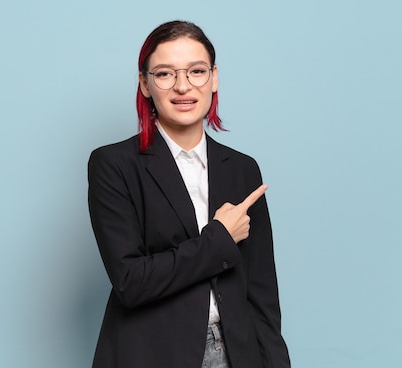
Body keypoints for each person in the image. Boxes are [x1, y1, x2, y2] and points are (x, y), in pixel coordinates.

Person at [88, 20, 291, 368]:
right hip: (152, 353)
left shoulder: (242, 169)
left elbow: (262, 295)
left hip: (238, 354)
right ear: (145, 84)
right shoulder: (113, 164)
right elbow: (130, 282)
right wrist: (219, 239)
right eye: (165, 74)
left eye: (197, 71)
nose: (183, 86)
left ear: (214, 78)